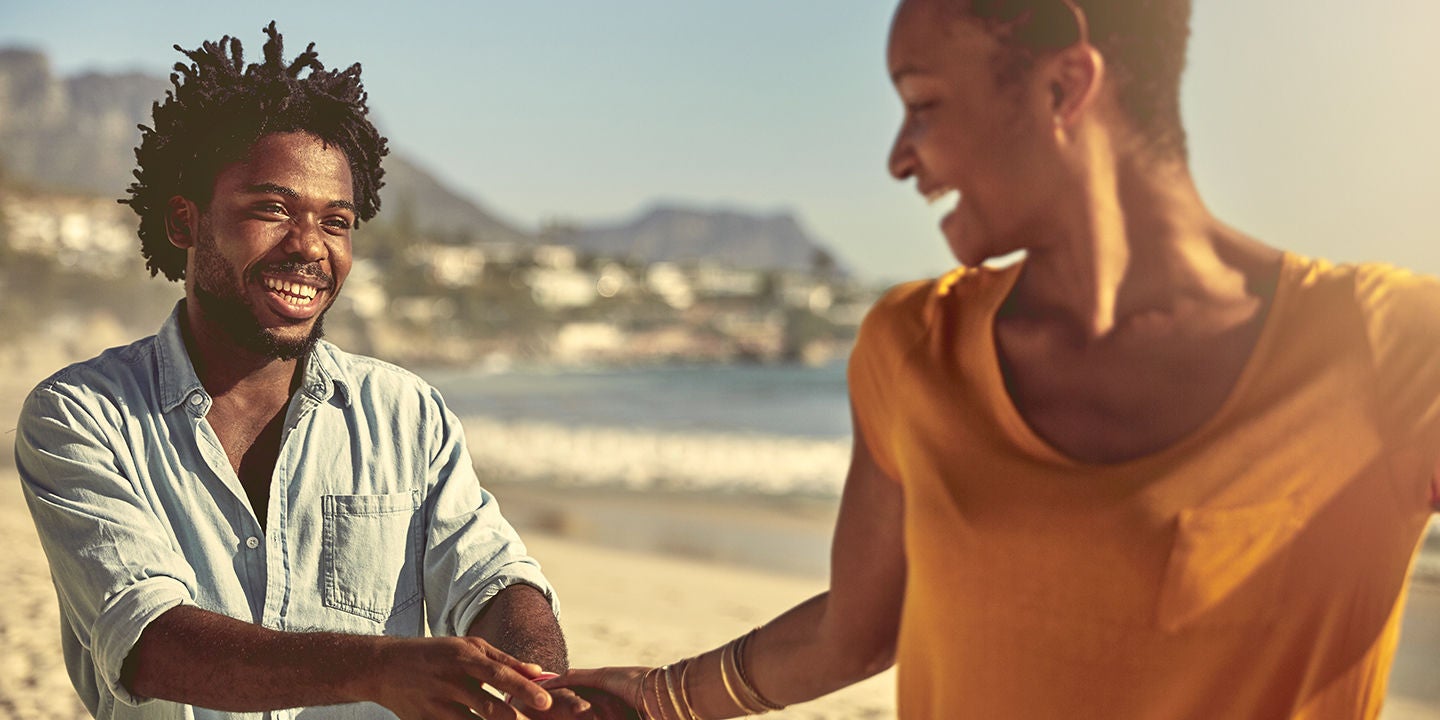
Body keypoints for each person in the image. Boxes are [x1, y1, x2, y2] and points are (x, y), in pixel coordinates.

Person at [557, 0, 1440, 718]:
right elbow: (858, 631)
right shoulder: (913, 347)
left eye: (924, 102)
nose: (901, 157)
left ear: (1064, 85)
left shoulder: (1391, 346)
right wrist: (650, 700)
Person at [15, 23, 607, 720]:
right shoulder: (81, 416)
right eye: (271, 209)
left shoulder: (407, 415)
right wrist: (378, 669)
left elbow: (494, 579)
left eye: (336, 221)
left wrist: (536, 686)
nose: (308, 247)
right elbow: (149, 640)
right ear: (185, 222)